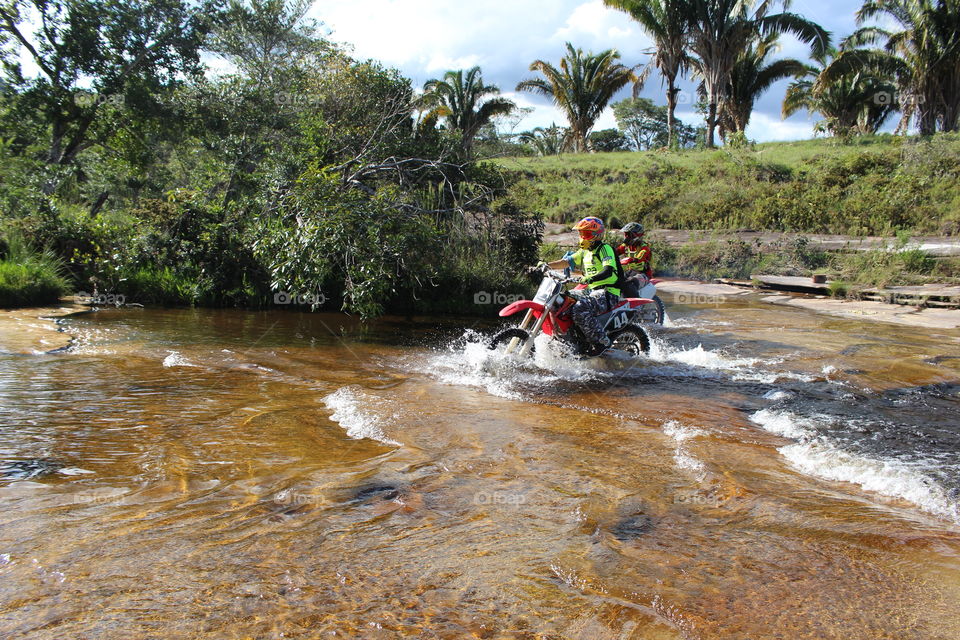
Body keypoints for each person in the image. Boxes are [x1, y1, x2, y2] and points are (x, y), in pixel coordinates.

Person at [541, 216, 625, 349]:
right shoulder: (584, 251)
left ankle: (600, 339)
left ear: (597, 235)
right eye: (581, 233)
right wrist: (546, 265)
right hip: (591, 290)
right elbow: (567, 261)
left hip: (608, 292)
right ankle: (567, 336)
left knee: (580, 307)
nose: (582, 237)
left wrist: (591, 278)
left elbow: (608, 270)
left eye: (586, 233)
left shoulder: (604, 249)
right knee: (559, 300)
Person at [616, 222, 653, 298]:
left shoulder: (644, 247)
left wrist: (631, 260)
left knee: (630, 282)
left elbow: (640, 257)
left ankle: (637, 305)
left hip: (643, 274)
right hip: (630, 272)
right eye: (625, 234)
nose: (626, 237)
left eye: (628, 234)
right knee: (614, 280)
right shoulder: (626, 246)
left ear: (636, 235)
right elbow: (616, 252)